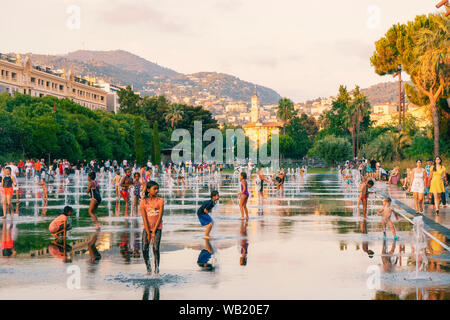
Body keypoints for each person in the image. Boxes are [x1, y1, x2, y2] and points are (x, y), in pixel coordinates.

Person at [140, 181, 164, 276]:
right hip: (147, 228)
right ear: (148, 190)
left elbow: (160, 217)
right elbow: (144, 218)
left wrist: (154, 232)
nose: (157, 190)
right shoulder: (143, 202)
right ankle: (149, 269)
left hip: (157, 228)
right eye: (155, 189)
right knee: (144, 248)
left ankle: (157, 271)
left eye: (157, 188)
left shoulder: (160, 201)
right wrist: (148, 232)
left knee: (155, 248)